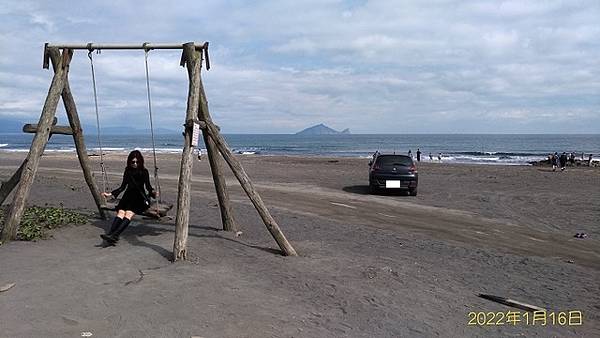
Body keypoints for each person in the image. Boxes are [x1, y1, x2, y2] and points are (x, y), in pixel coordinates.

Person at [100, 150, 158, 245]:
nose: (135, 164)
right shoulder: (127, 171)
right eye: (133, 162)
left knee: (128, 214)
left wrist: (153, 193)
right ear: (129, 161)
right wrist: (110, 194)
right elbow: (122, 186)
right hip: (127, 197)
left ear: (140, 161)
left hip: (139, 198)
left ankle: (114, 235)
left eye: (137, 162)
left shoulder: (144, 172)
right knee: (120, 213)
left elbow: (148, 187)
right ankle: (110, 234)